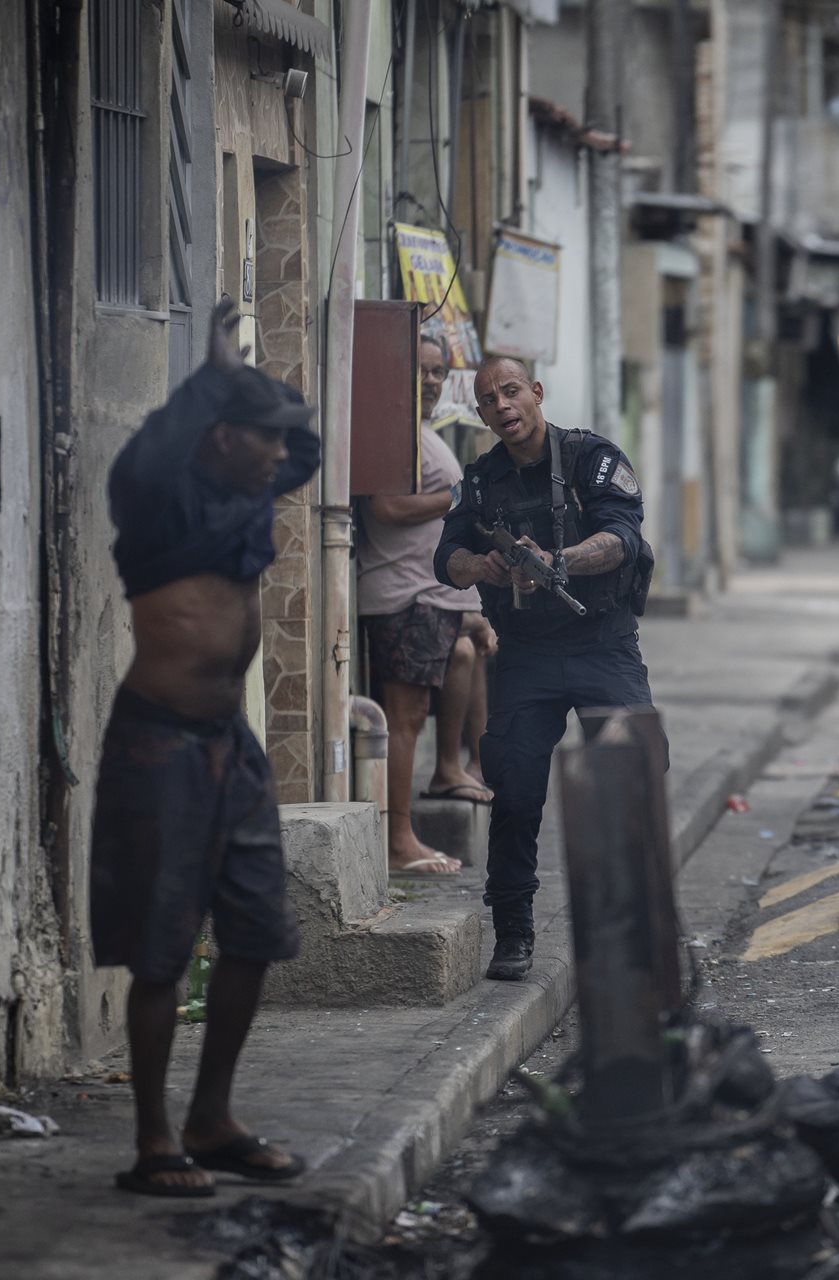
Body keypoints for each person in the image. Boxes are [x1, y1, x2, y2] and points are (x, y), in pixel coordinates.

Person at [93, 298, 316, 1197]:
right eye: (259, 436)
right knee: (162, 947)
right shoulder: (157, 503)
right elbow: (149, 448)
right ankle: (154, 1143)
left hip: (233, 747)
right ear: (221, 437)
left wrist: (258, 388)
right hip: (162, 744)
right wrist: (214, 373)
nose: (278, 453)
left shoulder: (247, 495)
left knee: (256, 931)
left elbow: (304, 448)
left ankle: (211, 1118)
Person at [434, 356, 656, 982]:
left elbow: (623, 537)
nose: (502, 406)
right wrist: (485, 567)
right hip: (526, 654)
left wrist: (559, 561)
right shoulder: (479, 482)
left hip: (602, 645)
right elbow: (445, 557)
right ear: (479, 414)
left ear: (535, 393)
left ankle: (631, 929)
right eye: (488, 399)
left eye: (511, 392)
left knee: (628, 781)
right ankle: (513, 933)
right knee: (515, 794)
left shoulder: (592, 459)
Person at [357, 335, 498, 877]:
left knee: (415, 712)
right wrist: (463, 497)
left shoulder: (421, 433)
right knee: (405, 719)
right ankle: (398, 841)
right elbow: (388, 507)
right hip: (404, 595)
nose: (433, 381)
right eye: (422, 370)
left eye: (440, 372)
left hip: (426, 596)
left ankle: (417, 817)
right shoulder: (393, 433)